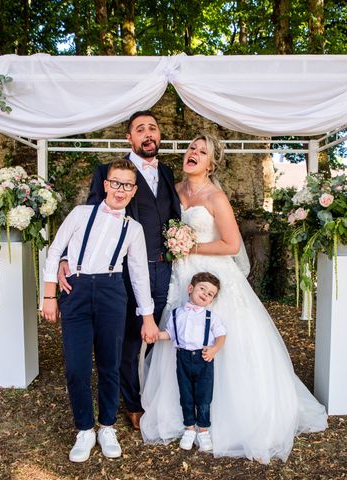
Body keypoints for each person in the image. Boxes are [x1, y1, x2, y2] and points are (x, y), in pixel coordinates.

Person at [140, 134, 328, 463]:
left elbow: (230, 245)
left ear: (212, 164)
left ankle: (224, 419)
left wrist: (189, 246)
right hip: (182, 277)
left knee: (223, 344)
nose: (193, 153)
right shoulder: (176, 190)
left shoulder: (215, 196)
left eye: (202, 151)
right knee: (180, 339)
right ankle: (183, 417)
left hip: (213, 277)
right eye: (191, 148)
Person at [58, 111, 181, 430]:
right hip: (120, 274)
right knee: (125, 340)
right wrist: (63, 260)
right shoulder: (109, 173)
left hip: (163, 269)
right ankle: (132, 403)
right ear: (130, 138)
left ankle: (149, 391)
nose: (148, 134)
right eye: (140, 129)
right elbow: (86, 225)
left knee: (152, 333)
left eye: (153, 128)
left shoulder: (166, 172)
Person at [42, 159, 155, 462]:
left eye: (127, 185)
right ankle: (84, 429)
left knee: (110, 365)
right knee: (76, 368)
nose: (121, 189)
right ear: (105, 185)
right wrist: (49, 296)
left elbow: (139, 273)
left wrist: (147, 317)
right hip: (76, 292)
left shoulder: (133, 229)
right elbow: (55, 250)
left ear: (133, 191)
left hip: (111, 292)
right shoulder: (80, 214)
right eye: (116, 182)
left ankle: (106, 426)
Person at [156, 272, 226, 452]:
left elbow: (221, 335)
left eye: (210, 294)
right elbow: (170, 334)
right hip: (183, 358)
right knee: (186, 395)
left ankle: (203, 430)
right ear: (190, 289)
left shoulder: (211, 317)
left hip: (203, 359)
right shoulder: (176, 314)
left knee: (204, 397)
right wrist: (156, 335)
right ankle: (189, 428)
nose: (205, 294)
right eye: (202, 289)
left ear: (211, 300)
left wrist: (214, 349)